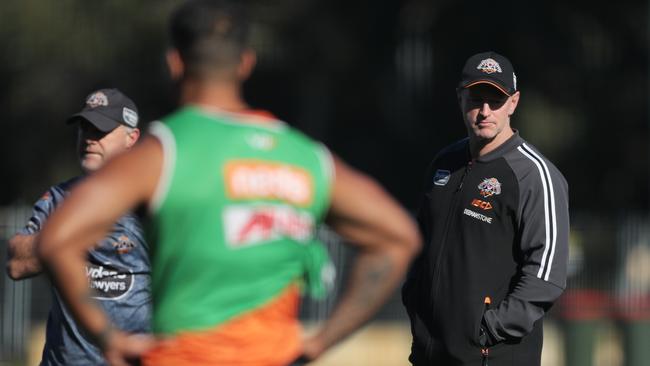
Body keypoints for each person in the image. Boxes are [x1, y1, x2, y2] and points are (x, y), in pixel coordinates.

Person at [36, 1, 422, 365]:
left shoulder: (165, 152)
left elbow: (58, 239)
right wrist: (319, 342)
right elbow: (397, 237)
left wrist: (108, 337)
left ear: (174, 63)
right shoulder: (304, 156)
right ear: (246, 63)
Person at [401, 51, 570, 366]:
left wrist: (490, 330)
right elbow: (419, 245)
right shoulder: (444, 163)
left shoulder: (534, 175)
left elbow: (546, 275)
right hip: (431, 354)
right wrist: (414, 301)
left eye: (496, 100)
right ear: (460, 99)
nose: (485, 111)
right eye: (476, 99)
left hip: (492, 356)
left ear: (513, 103)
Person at [6, 88, 151, 365]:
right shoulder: (60, 199)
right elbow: (16, 262)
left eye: (101, 129)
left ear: (132, 138)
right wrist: (75, 232)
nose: (89, 138)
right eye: (84, 127)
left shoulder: (151, 204)